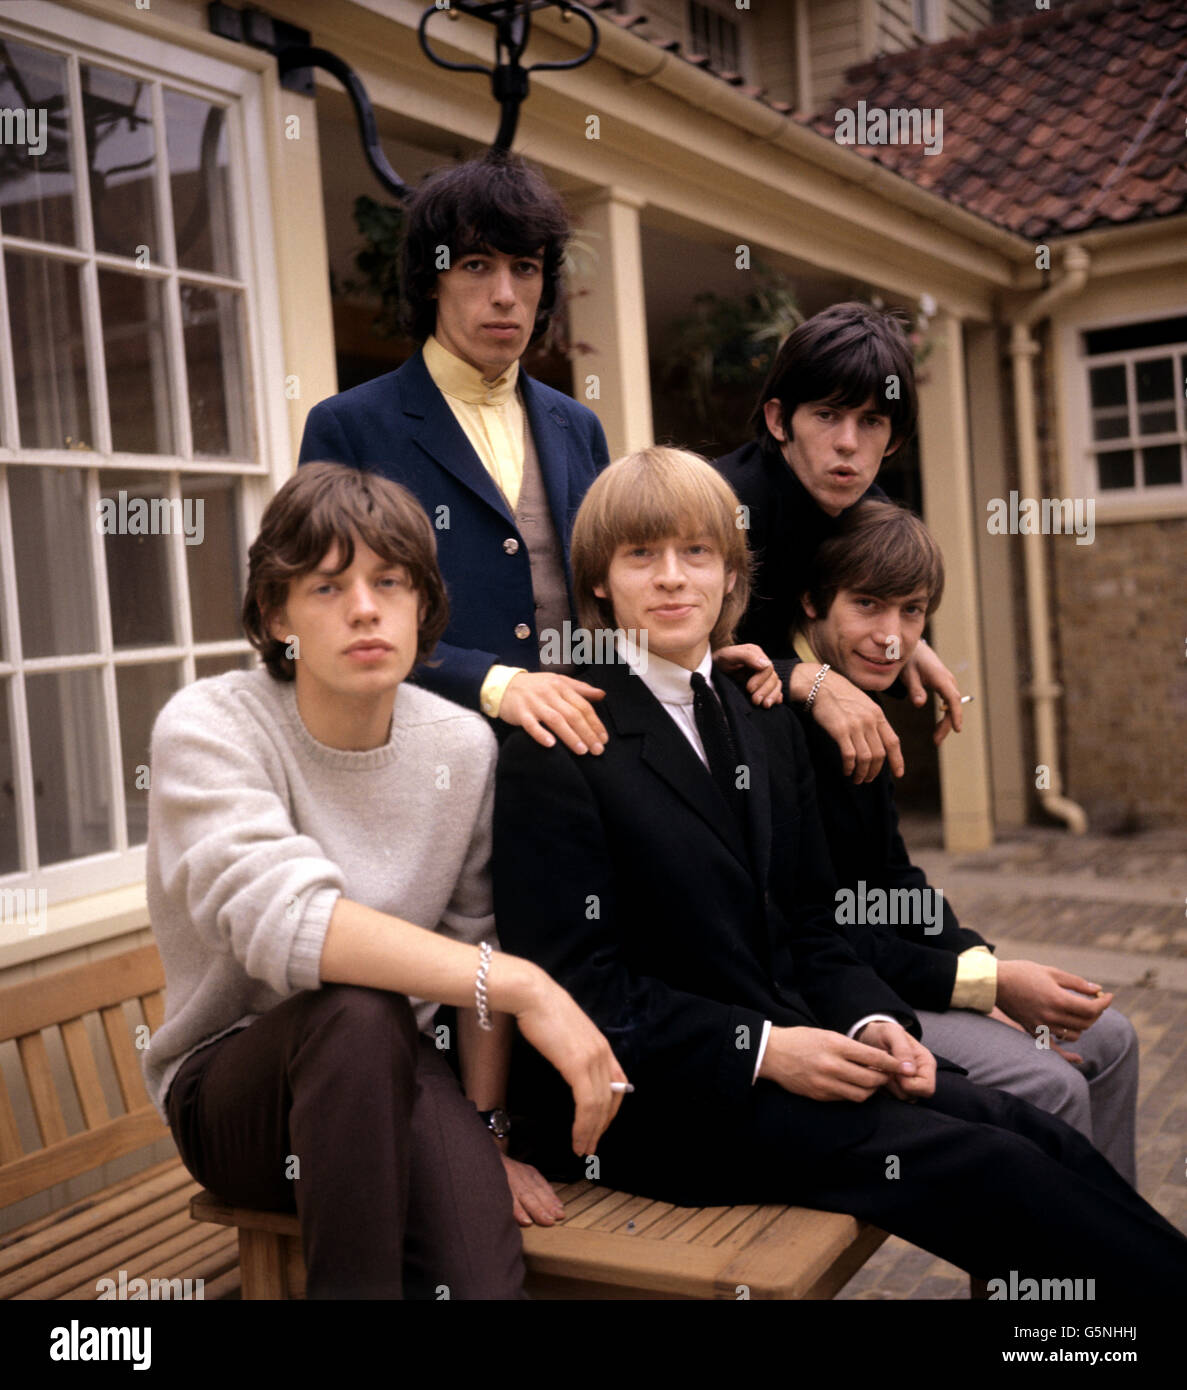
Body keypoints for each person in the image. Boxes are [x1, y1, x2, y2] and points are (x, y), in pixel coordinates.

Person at [492, 446, 1187, 1296]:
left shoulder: (762, 715)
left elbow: (811, 927)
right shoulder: (560, 740)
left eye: (695, 553)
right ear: (599, 581)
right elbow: (575, 988)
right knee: (992, 1168)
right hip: (664, 1105)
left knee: (1031, 1131)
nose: (671, 579)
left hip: (802, 1058)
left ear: (730, 572)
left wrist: (873, 1025)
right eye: (641, 556)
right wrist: (764, 1050)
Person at [143, 462, 626, 1299]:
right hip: (235, 1095)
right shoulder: (211, 726)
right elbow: (289, 922)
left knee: (478, 1277)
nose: (364, 608)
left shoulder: (460, 745)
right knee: (356, 1006)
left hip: (396, 1070)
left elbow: (472, 938)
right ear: (275, 614)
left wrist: (486, 1138)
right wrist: (524, 985)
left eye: (389, 582)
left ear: (421, 605)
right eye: (326, 587)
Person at [793, 497, 1138, 1183]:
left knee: (1115, 1038)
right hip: (826, 999)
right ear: (812, 603)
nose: (891, 637)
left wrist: (983, 967)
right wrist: (984, 988)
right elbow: (816, 933)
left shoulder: (865, 704)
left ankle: (1111, 1262)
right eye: (867, 605)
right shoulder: (781, 722)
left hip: (890, 969)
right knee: (1048, 1085)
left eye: (911, 612)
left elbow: (892, 885)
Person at [714, 302, 964, 784]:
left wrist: (913, 648)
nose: (848, 443)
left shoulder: (866, 508)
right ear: (779, 421)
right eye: (827, 414)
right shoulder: (717, 510)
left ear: (893, 440)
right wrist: (801, 678)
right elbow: (662, 658)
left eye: (871, 421)